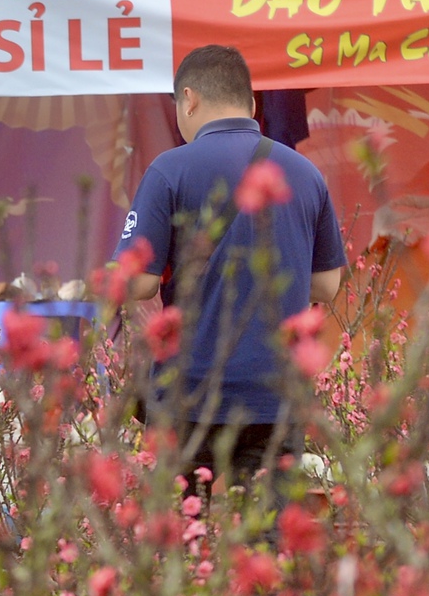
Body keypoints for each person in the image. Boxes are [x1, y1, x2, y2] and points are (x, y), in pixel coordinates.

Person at [121, 43, 347, 485]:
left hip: (190, 396)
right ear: (252, 103)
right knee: (268, 544)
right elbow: (326, 286)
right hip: (275, 399)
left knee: (182, 545)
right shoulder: (305, 173)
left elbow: (140, 282)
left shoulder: (169, 170)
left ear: (189, 98)